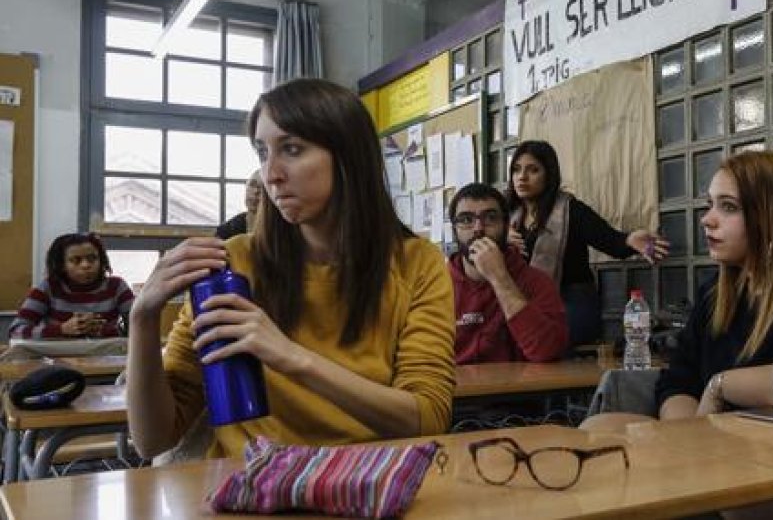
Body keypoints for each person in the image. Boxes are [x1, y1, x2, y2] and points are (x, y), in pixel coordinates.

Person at [126, 78, 456, 460]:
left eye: (292, 149)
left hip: (368, 481)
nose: (271, 173)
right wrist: (142, 320)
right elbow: (154, 440)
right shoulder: (231, 263)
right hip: (252, 487)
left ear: (347, 155)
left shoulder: (417, 263)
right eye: (263, 153)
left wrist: (291, 356)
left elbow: (428, 416)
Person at [584, 151, 773, 430]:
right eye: (710, 205)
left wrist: (722, 385)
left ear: (769, 216)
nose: (707, 219)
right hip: (717, 449)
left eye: (728, 207)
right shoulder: (715, 292)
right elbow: (677, 380)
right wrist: (687, 435)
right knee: (599, 429)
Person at [505, 140, 669, 346]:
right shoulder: (507, 217)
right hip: (524, 304)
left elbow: (609, 240)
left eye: (533, 170)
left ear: (549, 174)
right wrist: (501, 242)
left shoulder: (570, 209)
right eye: (517, 170)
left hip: (571, 304)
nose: (522, 177)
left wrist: (629, 239)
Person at [449, 182, 569, 363]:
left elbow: (547, 351)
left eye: (490, 218)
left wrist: (500, 278)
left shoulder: (536, 281)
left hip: (519, 389)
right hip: (455, 390)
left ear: (506, 226)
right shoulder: (437, 286)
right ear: (454, 231)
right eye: (466, 220)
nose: (478, 229)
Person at [9, 232, 133, 339]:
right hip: (58, 359)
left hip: (105, 357)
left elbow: (142, 330)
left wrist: (104, 330)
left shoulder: (117, 287)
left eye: (92, 258)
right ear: (62, 265)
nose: (86, 265)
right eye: (76, 260)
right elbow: (15, 331)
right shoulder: (49, 287)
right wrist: (62, 330)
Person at [214, 170, 263, 239]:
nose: (256, 191)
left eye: (263, 187)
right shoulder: (227, 230)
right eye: (252, 184)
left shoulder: (281, 227)